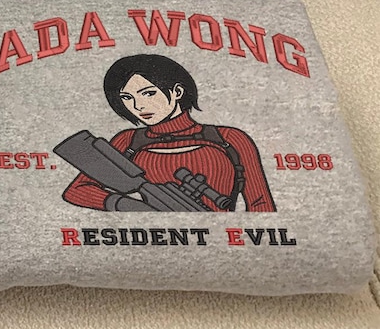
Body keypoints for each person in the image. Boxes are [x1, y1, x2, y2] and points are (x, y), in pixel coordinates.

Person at [62, 54, 275, 212]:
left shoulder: (229, 139)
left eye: (148, 94)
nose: (138, 106)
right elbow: (77, 191)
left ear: (177, 92)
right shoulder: (128, 141)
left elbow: (260, 203)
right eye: (126, 98)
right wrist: (128, 205)